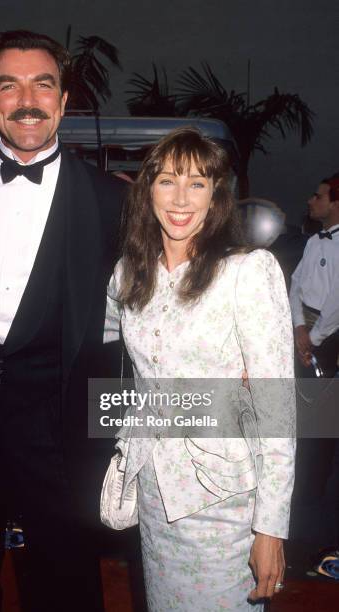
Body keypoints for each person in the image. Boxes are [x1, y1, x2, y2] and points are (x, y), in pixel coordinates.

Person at [0, 30, 124, 611]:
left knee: (67, 582)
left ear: (63, 101)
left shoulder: (115, 203)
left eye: (43, 84)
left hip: (63, 433)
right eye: (9, 86)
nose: (26, 99)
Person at [104, 127, 296, 611]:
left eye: (198, 183)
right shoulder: (129, 274)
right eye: (168, 181)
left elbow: (277, 408)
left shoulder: (246, 273)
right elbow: (102, 343)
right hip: (152, 491)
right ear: (147, 190)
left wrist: (270, 527)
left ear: (216, 196)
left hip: (224, 501)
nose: (181, 198)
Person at [290, 175, 339, 376]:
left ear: (336, 204)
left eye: (318, 197)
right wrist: (299, 326)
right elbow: (295, 284)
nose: (310, 201)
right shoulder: (313, 242)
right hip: (302, 332)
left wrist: (312, 339)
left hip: (327, 337)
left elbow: (336, 303)